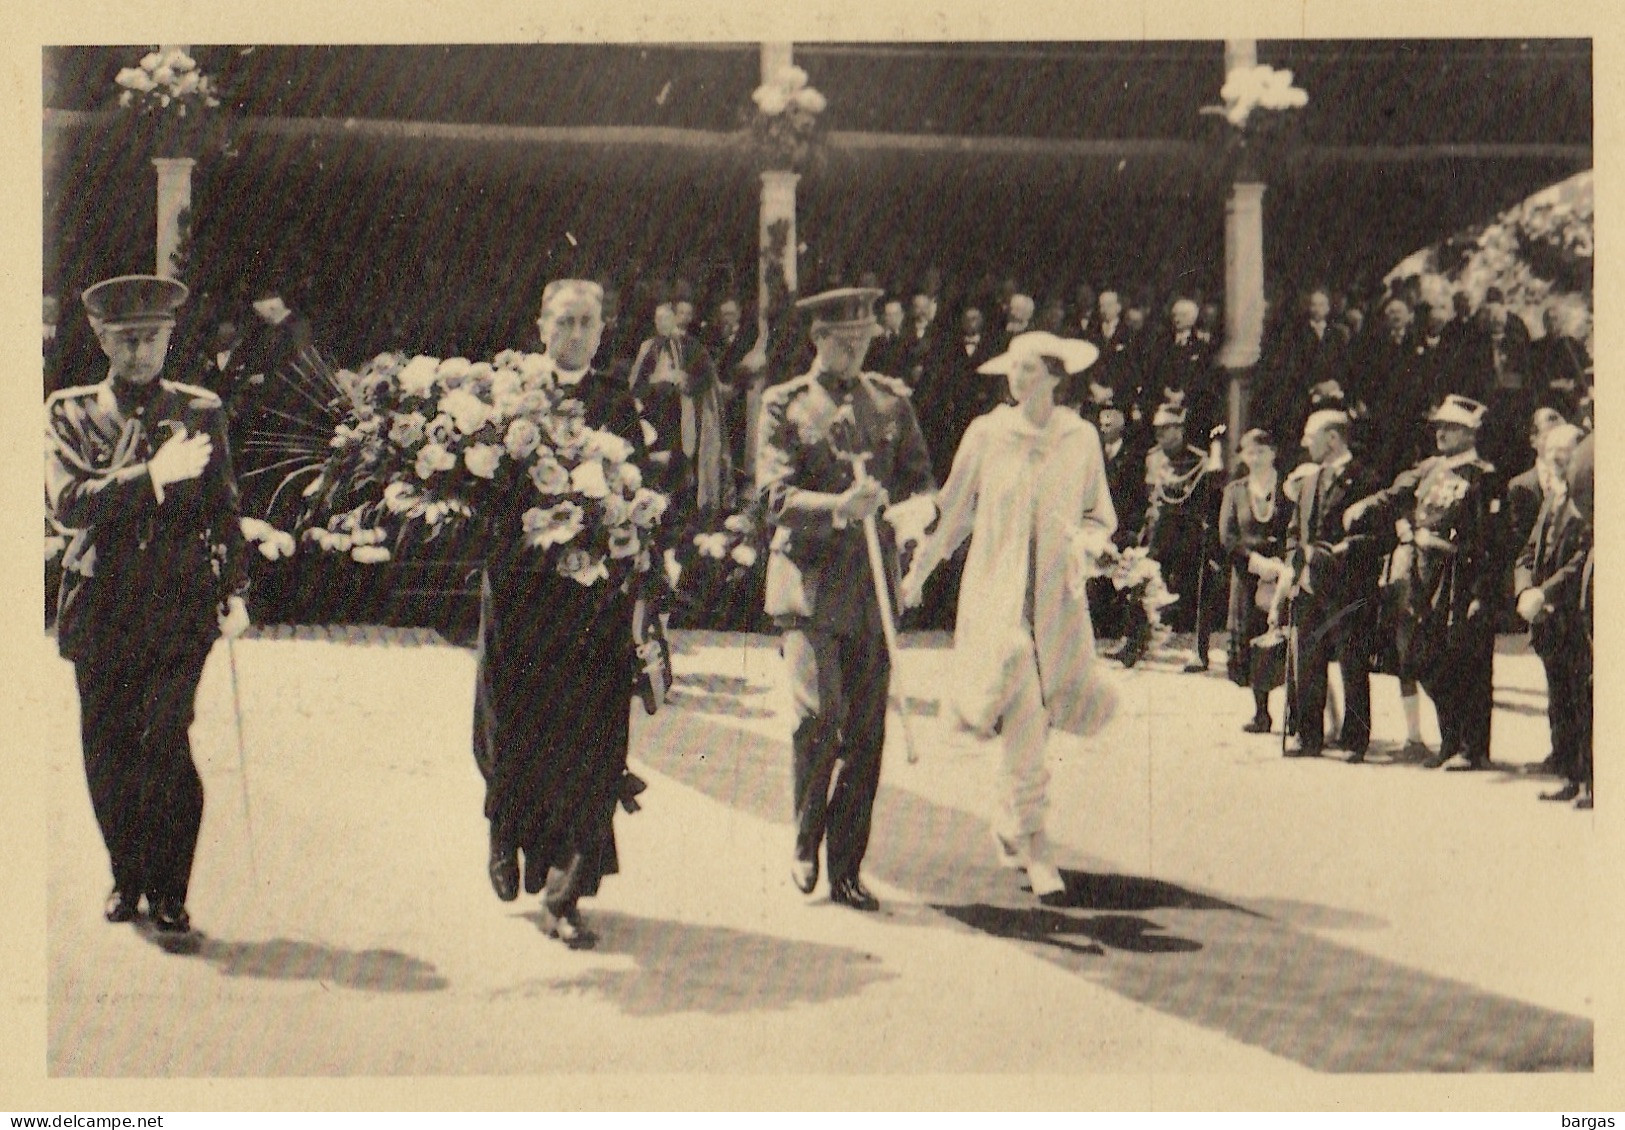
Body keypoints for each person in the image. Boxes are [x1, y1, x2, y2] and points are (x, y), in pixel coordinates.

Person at [46, 275, 251, 938]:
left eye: (152, 338)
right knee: (105, 746)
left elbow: (223, 509)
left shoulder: (200, 410)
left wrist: (237, 590)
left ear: (169, 337)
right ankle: (125, 875)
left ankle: (168, 889)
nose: (139, 352)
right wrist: (152, 477)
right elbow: (68, 502)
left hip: (176, 603)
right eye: (125, 338)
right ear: (102, 338)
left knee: (163, 739)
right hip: (100, 601)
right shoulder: (69, 412)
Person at [902, 331, 1117, 903]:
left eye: (1028, 370)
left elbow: (1099, 514)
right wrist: (919, 572)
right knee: (1017, 671)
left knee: (1036, 712)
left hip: (1056, 596)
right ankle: (1036, 836)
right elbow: (954, 511)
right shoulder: (987, 433)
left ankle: (1009, 814)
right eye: (1013, 371)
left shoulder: (1080, 438)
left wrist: (1092, 546)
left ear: (1053, 375)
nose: (1017, 380)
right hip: (996, 590)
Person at [475, 279, 652, 946]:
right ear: (541, 325)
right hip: (524, 595)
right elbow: (484, 489)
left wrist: (626, 530)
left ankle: (565, 891)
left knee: (590, 741)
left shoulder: (615, 401)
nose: (575, 333)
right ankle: (504, 834)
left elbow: (633, 489)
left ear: (602, 332)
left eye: (587, 322)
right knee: (516, 725)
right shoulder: (511, 395)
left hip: (591, 601)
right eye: (564, 321)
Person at [755, 287, 936, 912]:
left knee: (865, 734)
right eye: (840, 338)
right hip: (808, 585)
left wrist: (912, 516)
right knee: (819, 715)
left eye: (862, 338)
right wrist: (838, 509)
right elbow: (772, 498)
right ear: (817, 339)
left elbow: (919, 481)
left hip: (873, 588)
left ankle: (847, 867)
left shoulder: (890, 402)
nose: (852, 348)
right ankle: (805, 834)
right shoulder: (785, 405)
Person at [1344, 396, 1499, 770]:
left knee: (1466, 662)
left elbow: (1491, 541)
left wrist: (1481, 592)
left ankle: (1470, 748)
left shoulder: (1483, 476)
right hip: (1422, 577)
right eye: (1439, 427)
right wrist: (1365, 508)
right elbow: (1395, 497)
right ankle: (1449, 741)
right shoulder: (1429, 468)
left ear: (1469, 433)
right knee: (1427, 657)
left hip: (1460, 576)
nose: (1441, 434)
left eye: (1450, 428)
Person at [1275, 409, 1382, 761]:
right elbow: (1294, 532)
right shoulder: (1308, 483)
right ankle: (1309, 737)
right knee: (1307, 662)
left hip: (1347, 588)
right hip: (1308, 587)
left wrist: (1345, 551)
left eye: (1311, 436)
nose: (1306, 443)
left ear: (1332, 438)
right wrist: (1295, 565)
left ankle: (1355, 740)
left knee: (1352, 664)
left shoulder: (1366, 480)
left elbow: (1377, 536)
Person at [1514, 424, 1590, 804]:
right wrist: (1525, 587)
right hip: (1546, 620)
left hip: (1572, 616)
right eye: (1551, 450)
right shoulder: (1552, 498)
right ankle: (1568, 774)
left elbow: (1581, 561)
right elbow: (1528, 553)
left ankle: (1591, 781)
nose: (1557, 457)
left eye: (1564, 450)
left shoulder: (1587, 501)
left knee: (1581, 697)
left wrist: (1544, 592)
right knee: (1558, 697)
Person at [1219, 429, 1291, 733]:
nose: (1256, 457)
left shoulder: (1289, 486)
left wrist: (1281, 565)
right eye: (1250, 452)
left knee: (1287, 638)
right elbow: (1227, 536)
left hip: (1284, 572)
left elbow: (1297, 527)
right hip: (1248, 575)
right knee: (1254, 640)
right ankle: (1261, 712)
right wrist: (1254, 561)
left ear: (1273, 452)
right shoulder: (1235, 490)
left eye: (1262, 450)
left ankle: (1297, 713)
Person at [1141, 401, 1221, 670]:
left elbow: (1206, 501)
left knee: (1196, 593)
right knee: (1142, 582)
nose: (1162, 435)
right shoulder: (1154, 459)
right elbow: (1153, 499)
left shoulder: (1199, 460)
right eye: (1159, 430)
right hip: (1160, 533)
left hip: (1189, 535)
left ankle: (1200, 651)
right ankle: (1136, 642)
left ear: (1180, 430)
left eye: (1168, 429)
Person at [629, 302, 729, 515]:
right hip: (655, 417)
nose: (660, 323)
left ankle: (687, 512)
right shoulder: (649, 347)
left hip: (686, 416)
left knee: (684, 465)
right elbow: (636, 386)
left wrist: (685, 382)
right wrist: (657, 381)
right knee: (660, 469)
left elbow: (706, 379)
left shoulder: (692, 346)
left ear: (675, 319)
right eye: (657, 319)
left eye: (664, 318)